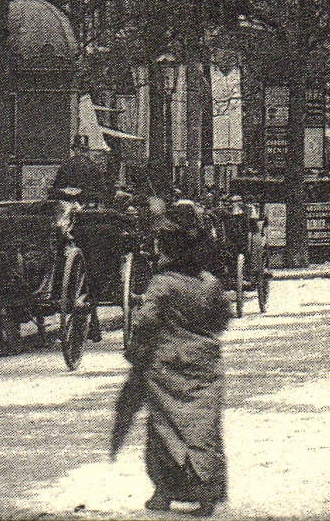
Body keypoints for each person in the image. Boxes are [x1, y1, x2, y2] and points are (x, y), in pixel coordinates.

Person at [116, 200, 232, 517]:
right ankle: (207, 495)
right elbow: (223, 318)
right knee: (204, 430)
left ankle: (164, 493)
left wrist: (136, 353)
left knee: (165, 429)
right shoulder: (210, 282)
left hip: (167, 364)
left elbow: (144, 323)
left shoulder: (162, 284)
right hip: (205, 364)